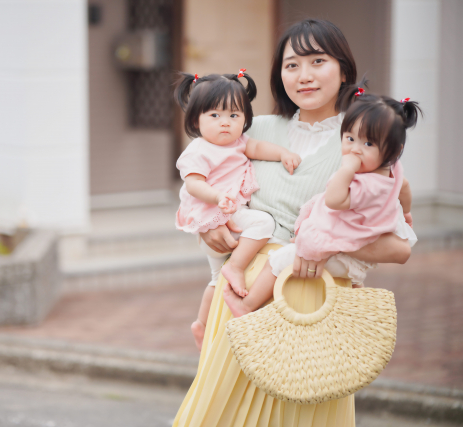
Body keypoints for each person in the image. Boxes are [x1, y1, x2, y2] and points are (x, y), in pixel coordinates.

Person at [172, 19, 413, 427]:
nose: (303, 75)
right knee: (219, 415)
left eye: (317, 61)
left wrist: (321, 247)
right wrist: (208, 226)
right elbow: (199, 183)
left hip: (312, 304)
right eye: (291, 65)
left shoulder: (365, 137)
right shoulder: (253, 129)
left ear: (343, 69)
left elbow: (400, 245)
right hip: (241, 297)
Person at [223, 91, 420, 317]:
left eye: (368, 143)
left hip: (343, 254)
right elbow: (404, 188)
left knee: (281, 259)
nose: (355, 149)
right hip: (351, 252)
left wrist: (345, 170)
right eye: (349, 138)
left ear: (394, 150)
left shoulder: (367, 185)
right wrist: (406, 212)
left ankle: (246, 306)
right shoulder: (392, 172)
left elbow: (334, 200)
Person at [173, 71, 302, 350]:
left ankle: (201, 324)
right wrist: (217, 197)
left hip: (224, 217)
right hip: (215, 214)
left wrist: (281, 153)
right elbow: (194, 184)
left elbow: (256, 146)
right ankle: (237, 265)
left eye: (234, 116)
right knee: (263, 224)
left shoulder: (239, 143)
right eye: (215, 116)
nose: (225, 123)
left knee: (215, 280)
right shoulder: (199, 150)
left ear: (245, 119)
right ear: (196, 119)